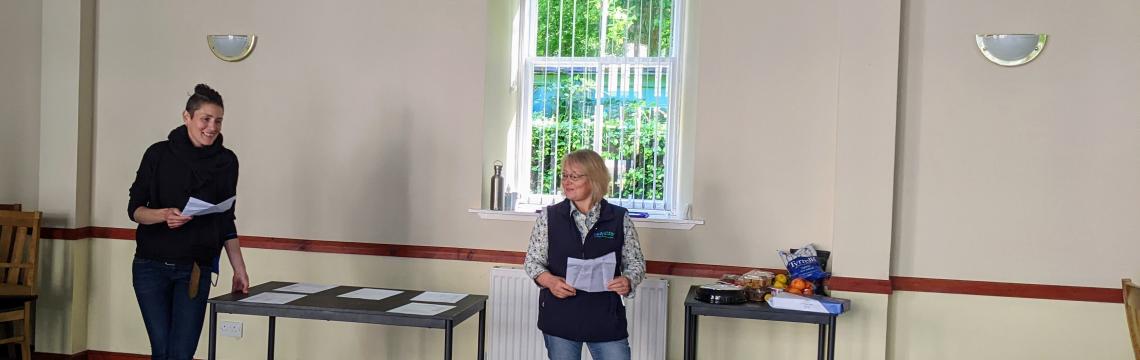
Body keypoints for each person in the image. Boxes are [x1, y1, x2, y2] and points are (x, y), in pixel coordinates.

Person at [127, 84, 250, 360]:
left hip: (195, 268)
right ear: (187, 117)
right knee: (162, 349)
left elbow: (226, 218)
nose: (212, 127)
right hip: (150, 266)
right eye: (205, 119)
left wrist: (239, 268)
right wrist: (162, 215)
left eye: (218, 121)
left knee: (181, 353)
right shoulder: (157, 154)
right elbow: (134, 210)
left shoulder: (227, 161)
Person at [524, 149, 646, 360]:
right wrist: (551, 282)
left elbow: (635, 262)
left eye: (574, 176)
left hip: (605, 317)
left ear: (594, 179)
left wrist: (628, 280)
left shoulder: (618, 218)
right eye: (564, 175)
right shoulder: (549, 216)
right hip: (561, 317)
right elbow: (532, 262)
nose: (566, 182)